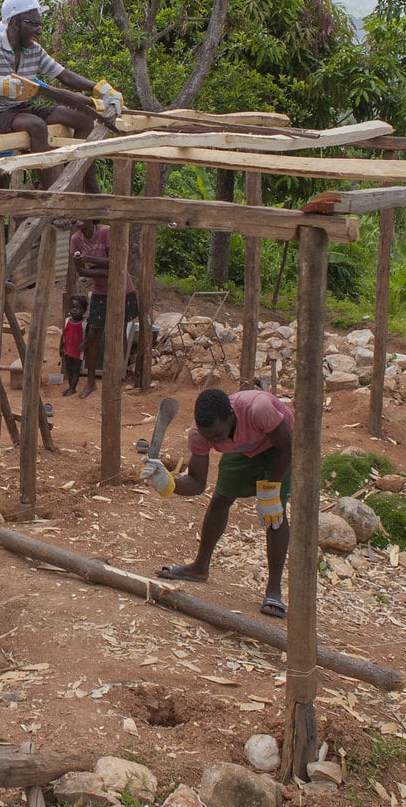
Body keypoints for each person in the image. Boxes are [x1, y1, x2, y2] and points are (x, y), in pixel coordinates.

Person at [145, 387, 294, 618]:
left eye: (218, 435)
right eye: (210, 438)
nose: (214, 441)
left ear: (231, 416)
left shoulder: (258, 409)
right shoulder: (199, 435)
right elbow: (197, 483)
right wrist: (168, 483)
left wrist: (271, 491)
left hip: (278, 445)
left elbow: (287, 447)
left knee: (274, 514)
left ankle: (273, 590)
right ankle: (199, 568)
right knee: (220, 500)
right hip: (244, 449)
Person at [0, 0, 122, 155]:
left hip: (22, 109)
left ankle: (83, 181)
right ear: (16, 23)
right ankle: (50, 188)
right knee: (36, 125)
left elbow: (65, 76)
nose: (39, 31)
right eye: (34, 24)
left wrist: (100, 88)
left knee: (83, 119)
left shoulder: (34, 50)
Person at [69, 218, 138, 397]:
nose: (76, 219)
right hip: (100, 290)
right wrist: (99, 268)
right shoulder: (76, 239)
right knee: (93, 335)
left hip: (122, 288)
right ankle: (91, 382)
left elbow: (116, 262)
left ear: (92, 216)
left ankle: (116, 379)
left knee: (119, 332)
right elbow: (81, 271)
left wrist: (89, 260)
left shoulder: (105, 232)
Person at [59, 293, 88, 393]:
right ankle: (71, 387)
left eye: (78, 308)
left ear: (84, 310)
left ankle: (72, 388)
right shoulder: (67, 320)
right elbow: (63, 335)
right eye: (72, 307)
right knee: (68, 369)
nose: (74, 310)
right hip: (67, 349)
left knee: (75, 369)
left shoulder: (85, 323)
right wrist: (60, 347)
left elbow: (88, 337)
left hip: (78, 351)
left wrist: (84, 345)